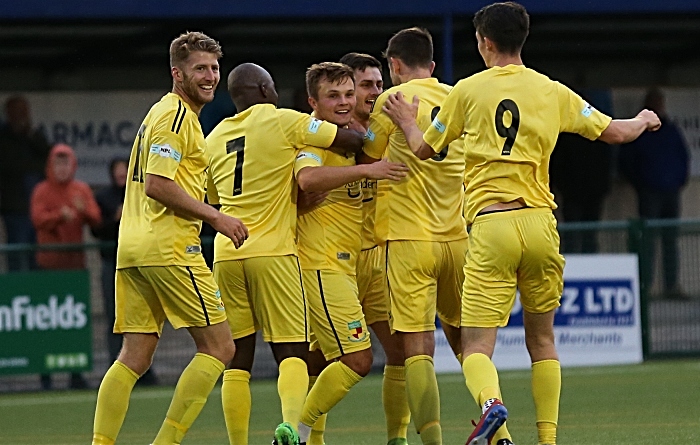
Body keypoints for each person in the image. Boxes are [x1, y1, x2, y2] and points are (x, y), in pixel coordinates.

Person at [380, 3, 661, 445]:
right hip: (540, 224)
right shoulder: (551, 90)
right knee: (543, 341)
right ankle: (546, 439)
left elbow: (424, 151)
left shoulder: (468, 91)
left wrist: (405, 121)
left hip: (493, 226)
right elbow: (616, 132)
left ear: (485, 42)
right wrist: (643, 118)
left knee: (475, 348)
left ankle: (493, 408)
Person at [91, 31, 249, 445]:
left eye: (215, 67)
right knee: (220, 348)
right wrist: (216, 216)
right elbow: (158, 185)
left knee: (135, 355)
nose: (211, 76)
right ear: (177, 73)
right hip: (169, 247)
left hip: (134, 249)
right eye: (201, 68)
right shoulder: (176, 116)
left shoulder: (161, 113)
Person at [204, 62, 368, 445]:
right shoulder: (282, 120)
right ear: (264, 89)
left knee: (237, 358)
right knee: (292, 351)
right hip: (273, 252)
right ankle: (292, 427)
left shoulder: (214, 138)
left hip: (227, 252)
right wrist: (368, 143)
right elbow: (345, 141)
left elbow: (213, 200)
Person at [359, 28, 468, 445]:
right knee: (469, 344)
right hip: (457, 239)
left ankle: (431, 442)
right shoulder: (458, 97)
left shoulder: (393, 102)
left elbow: (366, 155)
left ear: (396, 66)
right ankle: (501, 429)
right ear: (434, 66)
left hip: (409, 241)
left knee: (417, 348)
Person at [290, 62, 408, 445]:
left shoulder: (363, 139)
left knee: (402, 351)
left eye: (351, 93)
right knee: (354, 360)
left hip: (365, 260)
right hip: (323, 264)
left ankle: (397, 438)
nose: (353, 99)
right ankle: (297, 431)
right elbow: (306, 179)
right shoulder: (312, 139)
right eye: (337, 95)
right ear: (314, 102)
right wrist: (366, 173)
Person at [338, 51, 412, 445]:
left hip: (378, 258)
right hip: (334, 262)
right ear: (347, 90)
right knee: (330, 359)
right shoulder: (329, 133)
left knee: (400, 352)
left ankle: (396, 438)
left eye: (380, 84)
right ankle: (305, 435)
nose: (376, 92)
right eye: (367, 85)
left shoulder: (388, 132)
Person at [30, 143, 102, 390]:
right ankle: (46, 375)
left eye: (65, 163)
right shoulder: (41, 190)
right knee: (47, 323)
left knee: (76, 324)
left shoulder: (80, 189)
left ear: (72, 165)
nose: (62, 168)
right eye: (57, 163)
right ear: (50, 166)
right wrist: (60, 215)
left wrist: (83, 212)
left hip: (75, 268)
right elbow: (37, 219)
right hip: (48, 268)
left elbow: (95, 217)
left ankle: (76, 373)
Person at [92, 158, 160, 386]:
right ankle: (118, 367)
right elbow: (97, 229)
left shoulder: (143, 193)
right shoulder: (104, 198)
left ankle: (145, 370)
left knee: (146, 322)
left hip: (142, 262)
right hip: (114, 263)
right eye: (117, 171)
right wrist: (115, 218)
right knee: (116, 319)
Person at [620, 87, 689, 299]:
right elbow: (626, 161)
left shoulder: (670, 130)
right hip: (649, 192)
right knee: (647, 242)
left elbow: (683, 157)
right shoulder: (638, 129)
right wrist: (640, 184)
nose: (659, 107)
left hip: (671, 192)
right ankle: (645, 288)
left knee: (670, 240)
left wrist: (679, 181)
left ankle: (671, 286)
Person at [0, 95, 52, 271]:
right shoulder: (4, 137)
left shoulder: (34, 135)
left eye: (25, 112)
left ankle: (38, 292)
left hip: (38, 206)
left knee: (37, 255)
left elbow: (49, 156)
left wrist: (29, 134)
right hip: (15, 207)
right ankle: (18, 292)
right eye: (17, 112)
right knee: (17, 252)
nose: (22, 116)